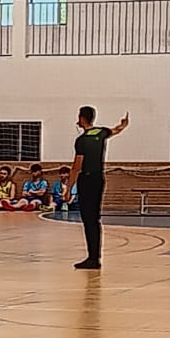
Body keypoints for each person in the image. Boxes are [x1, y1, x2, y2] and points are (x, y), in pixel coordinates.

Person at [69, 104, 129, 270]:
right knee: (95, 219)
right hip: (99, 179)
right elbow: (116, 130)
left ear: (81, 118)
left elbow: (76, 167)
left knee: (88, 219)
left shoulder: (81, 140)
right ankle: (95, 257)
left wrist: (69, 188)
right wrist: (124, 124)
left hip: (86, 180)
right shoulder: (101, 132)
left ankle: (93, 258)